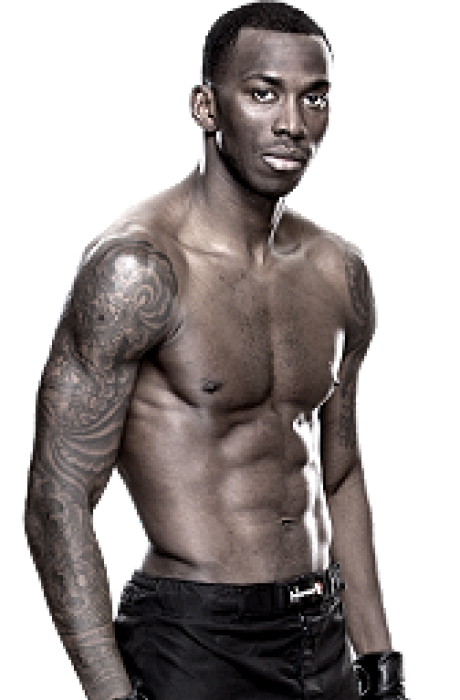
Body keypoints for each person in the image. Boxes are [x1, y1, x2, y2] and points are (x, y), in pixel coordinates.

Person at [24, 1, 408, 698]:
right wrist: (110, 694)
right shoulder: (138, 271)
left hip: (323, 635)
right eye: (263, 93)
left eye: (313, 97)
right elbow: (60, 496)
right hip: (194, 641)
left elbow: (341, 472)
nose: (293, 124)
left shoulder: (340, 273)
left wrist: (379, 658)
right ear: (206, 106)